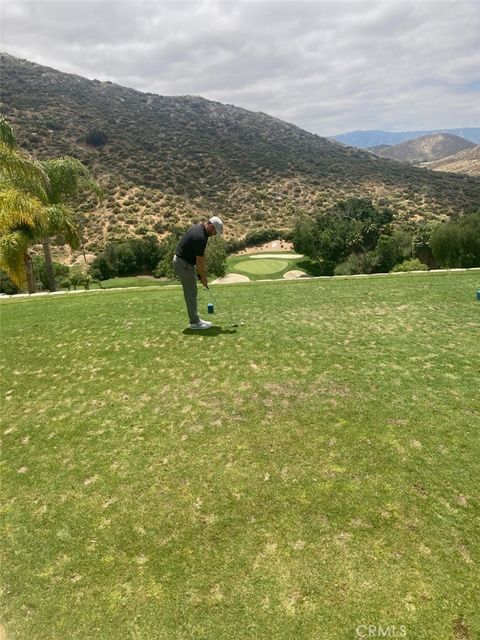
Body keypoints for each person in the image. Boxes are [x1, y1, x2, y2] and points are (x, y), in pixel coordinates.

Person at [173, 216, 224, 329]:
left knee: (192, 291)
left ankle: (196, 319)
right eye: (215, 231)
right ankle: (194, 323)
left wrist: (201, 275)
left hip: (185, 263)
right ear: (210, 225)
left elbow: (201, 255)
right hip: (183, 264)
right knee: (191, 293)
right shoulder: (200, 236)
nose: (214, 234)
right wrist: (203, 277)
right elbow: (199, 262)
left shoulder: (201, 231)